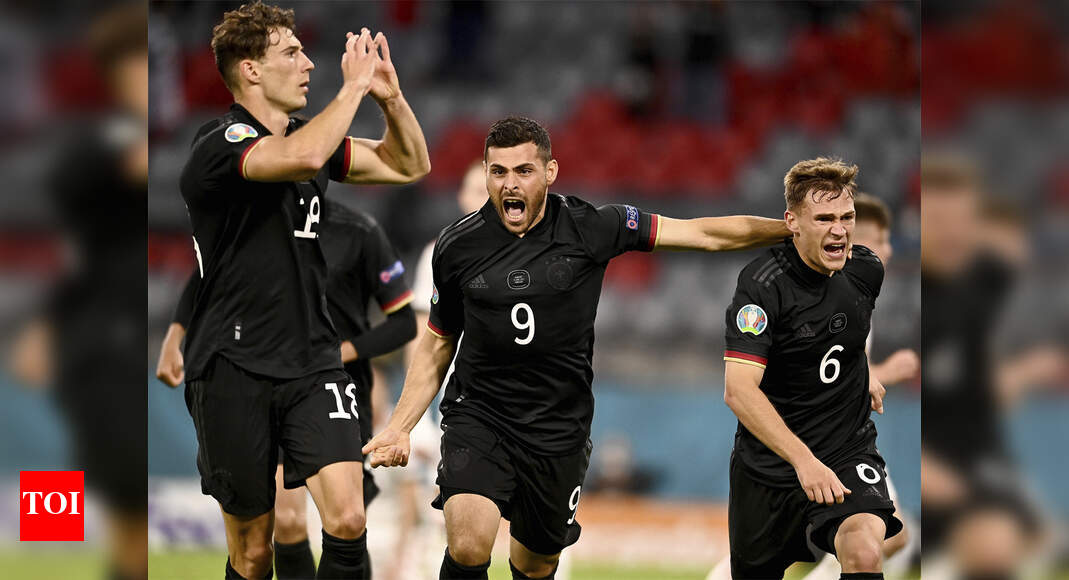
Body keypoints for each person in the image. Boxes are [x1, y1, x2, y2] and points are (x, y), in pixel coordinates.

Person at [362, 116, 789, 580]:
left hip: (558, 429)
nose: (509, 184)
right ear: (485, 173)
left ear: (550, 172)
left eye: (523, 170)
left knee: (536, 563)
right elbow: (437, 343)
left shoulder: (592, 226)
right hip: (480, 416)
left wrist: (790, 231)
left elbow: (701, 234)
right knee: (467, 543)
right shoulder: (457, 246)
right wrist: (400, 426)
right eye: (498, 171)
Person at [168, 3, 429, 578]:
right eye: (291, 52)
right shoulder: (220, 142)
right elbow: (300, 156)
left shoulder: (311, 141)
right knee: (253, 551)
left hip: (314, 362)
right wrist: (352, 88)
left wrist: (389, 97)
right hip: (232, 365)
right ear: (251, 70)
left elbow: (409, 164)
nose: (309, 64)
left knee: (348, 518)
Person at [157, 199, 418, 579]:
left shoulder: (358, 231)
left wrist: (341, 351)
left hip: (336, 388)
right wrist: (176, 333)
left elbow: (404, 323)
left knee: (348, 519)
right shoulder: (255, 225)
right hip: (271, 382)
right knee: (287, 520)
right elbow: (205, 278)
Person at [720, 157, 902, 579]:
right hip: (770, 468)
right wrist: (803, 461)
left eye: (847, 217)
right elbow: (739, 391)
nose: (839, 230)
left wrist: (865, 372)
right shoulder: (762, 286)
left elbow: (846, 334)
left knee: (865, 553)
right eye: (824, 219)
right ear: (792, 222)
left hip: (845, 450)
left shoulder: (866, 270)